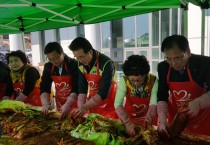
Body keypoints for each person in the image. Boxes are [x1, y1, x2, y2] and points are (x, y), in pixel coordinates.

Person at [157, 34, 210, 137]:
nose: (173, 63)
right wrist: (162, 120)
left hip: (202, 117)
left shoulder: (205, 63)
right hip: (177, 117)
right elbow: (162, 95)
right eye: (168, 59)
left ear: (188, 52)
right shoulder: (163, 67)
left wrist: (198, 103)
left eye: (177, 58)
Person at [68, 37, 117, 119]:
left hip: (108, 104)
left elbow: (103, 93)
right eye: (77, 58)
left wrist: (85, 107)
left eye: (81, 56)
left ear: (90, 52)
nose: (80, 60)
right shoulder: (80, 64)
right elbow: (82, 88)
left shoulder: (106, 63)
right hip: (92, 104)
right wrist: (80, 107)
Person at [114, 55, 158, 136]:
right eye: (132, 80)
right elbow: (117, 104)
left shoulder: (153, 80)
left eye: (138, 80)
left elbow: (154, 104)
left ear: (145, 74)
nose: (136, 83)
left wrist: (148, 121)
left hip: (149, 116)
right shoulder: (124, 80)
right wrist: (127, 123)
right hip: (129, 118)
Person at [40, 42, 78, 118]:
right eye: (50, 59)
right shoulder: (48, 66)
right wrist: (45, 104)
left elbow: (77, 86)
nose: (54, 61)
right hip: (60, 101)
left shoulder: (74, 64)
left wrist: (68, 104)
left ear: (62, 53)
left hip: (75, 101)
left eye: (56, 58)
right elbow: (45, 85)